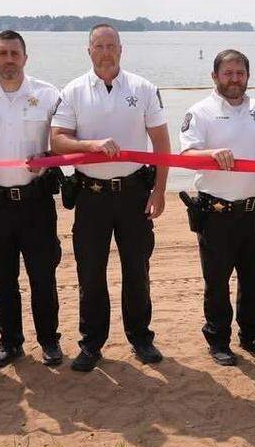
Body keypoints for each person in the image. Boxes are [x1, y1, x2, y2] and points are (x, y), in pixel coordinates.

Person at [50, 24, 170, 372]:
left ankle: (140, 337)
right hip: (91, 196)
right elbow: (58, 140)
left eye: (111, 45)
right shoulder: (73, 91)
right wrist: (90, 145)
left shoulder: (144, 89)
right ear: (88, 51)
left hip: (134, 194)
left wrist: (160, 191)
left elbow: (161, 144)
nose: (105, 52)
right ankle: (91, 344)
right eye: (98, 46)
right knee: (91, 273)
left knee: (137, 269)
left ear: (122, 49)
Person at [0, 31, 63, 369]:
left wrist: (46, 157)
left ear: (25, 57)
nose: (8, 59)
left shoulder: (48, 95)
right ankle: (10, 342)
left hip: (36, 202)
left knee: (42, 276)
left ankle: (49, 341)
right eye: (2, 53)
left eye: (14, 53)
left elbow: (62, 146)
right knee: (2, 278)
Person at [179, 49, 255, 366]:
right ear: (215, 77)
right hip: (216, 214)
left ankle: (253, 337)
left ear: (248, 76)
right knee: (217, 282)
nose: (234, 79)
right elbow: (185, 156)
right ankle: (218, 340)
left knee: (254, 278)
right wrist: (211, 154)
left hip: (254, 212)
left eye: (240, 73)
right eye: (228, 73)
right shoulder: (200, 112)